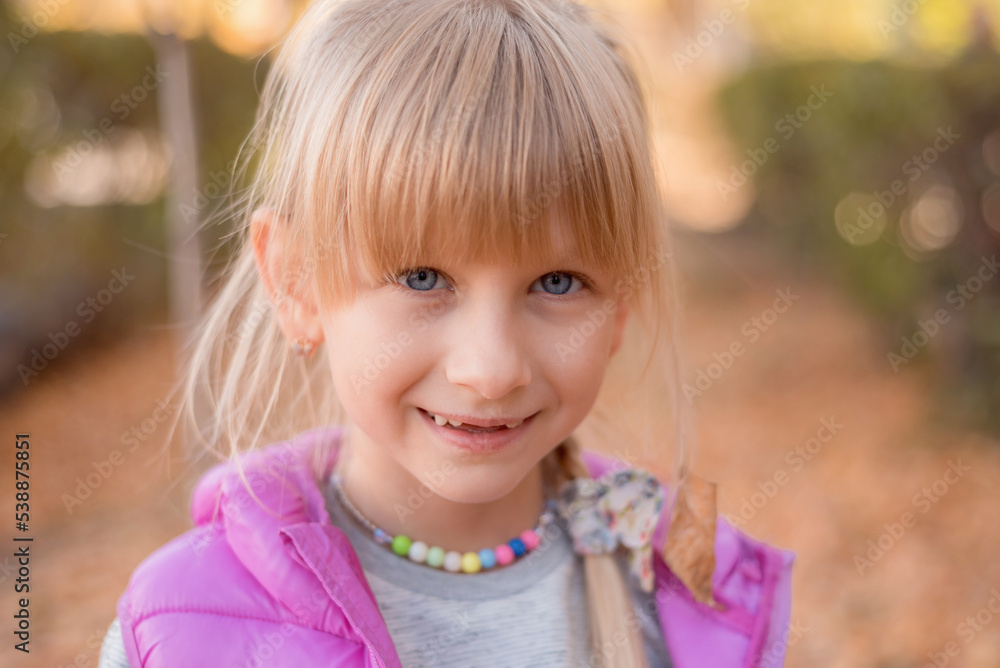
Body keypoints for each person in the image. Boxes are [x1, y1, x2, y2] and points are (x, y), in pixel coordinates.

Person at [98, 0, 794, 666]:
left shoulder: (698, 599)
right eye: (423, 278)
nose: (491, 370)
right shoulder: (183, 629)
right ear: (295, 280)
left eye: (557, 283)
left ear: (620, 308)